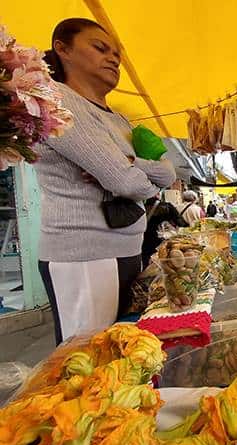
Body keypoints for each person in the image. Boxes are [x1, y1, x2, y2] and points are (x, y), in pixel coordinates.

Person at [36, 18, 176, 344]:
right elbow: (130, 184)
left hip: (123, 249)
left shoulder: (120, 120)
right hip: (85, 254)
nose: (113, 59)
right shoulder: (58, 100)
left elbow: (166, 172)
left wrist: (128, 163)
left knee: (118, 352)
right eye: (100, 48)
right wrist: (128, 173)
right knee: (86, 358)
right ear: (63, 49)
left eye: (117, 54)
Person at [142, 193, 187, 268]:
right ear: (157, 194)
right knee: (160, 266)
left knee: (147, 267)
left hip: (143, 243)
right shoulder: (166, 207)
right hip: (160, 244)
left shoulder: (139, 206)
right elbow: (181, 223)